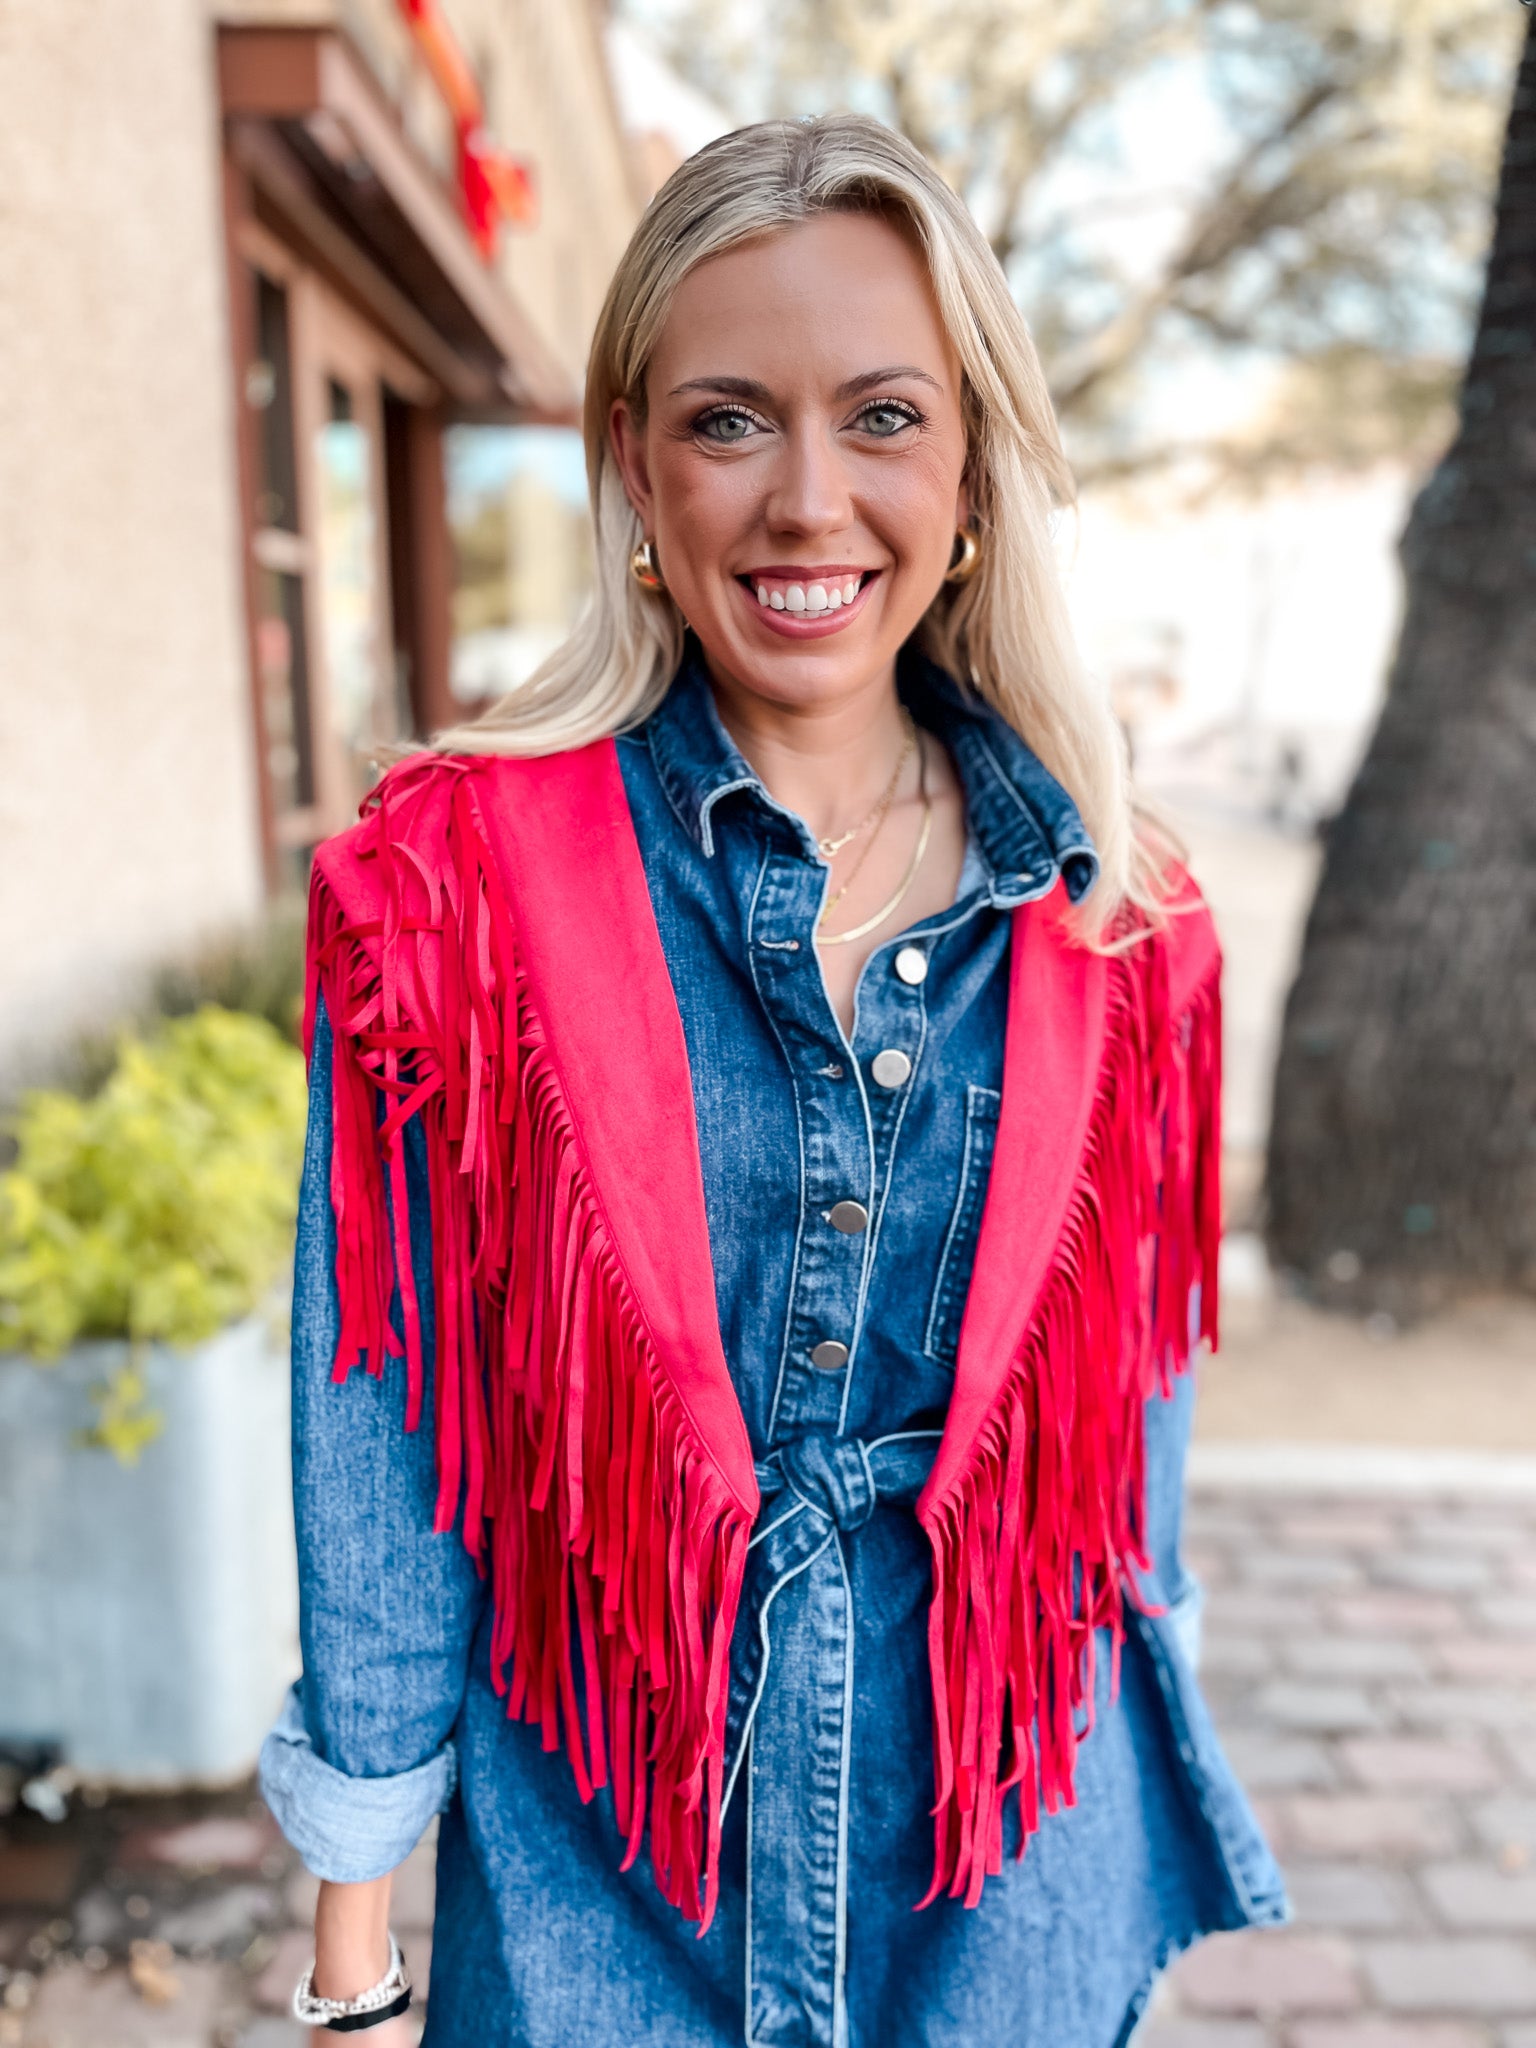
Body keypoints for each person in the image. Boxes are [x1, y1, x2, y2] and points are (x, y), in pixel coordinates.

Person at [259, 113, 1286, 2048]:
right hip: (604, 1872)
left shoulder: (1124, 925)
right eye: (731, 421)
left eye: (883, 415)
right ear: (633, 466)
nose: (809, 498)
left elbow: (1125, 1459)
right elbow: (385, 1431)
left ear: (970, 463)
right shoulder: (449, 889)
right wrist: (352, 1953)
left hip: (1003, 1869)